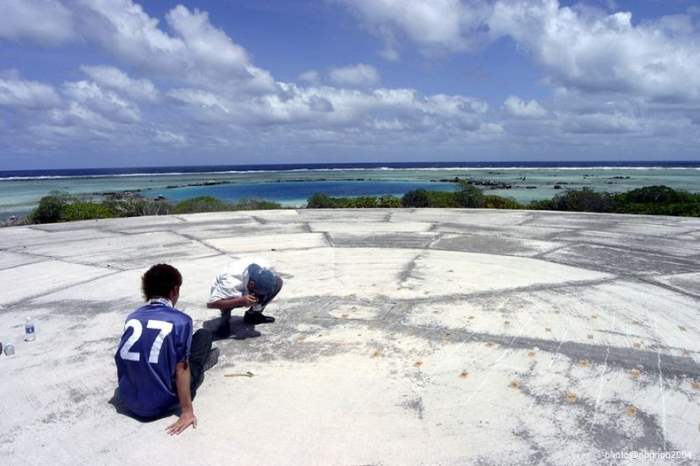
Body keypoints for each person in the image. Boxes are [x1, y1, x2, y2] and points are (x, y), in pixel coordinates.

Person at [115, 264, 217, 435]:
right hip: (161, 403)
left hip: (129, 400)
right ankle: (201, 366)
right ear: (175, 290)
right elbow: (181, 369)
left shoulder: (133, 317)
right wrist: (187, 411)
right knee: (204, 336)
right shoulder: (181, 321)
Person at [207, 259, 284, 338]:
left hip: (246, 284)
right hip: (223, 291)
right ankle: (224, 322)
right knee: (228, 298)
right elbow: (211, 304)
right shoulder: (231, 283)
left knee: (278, 282)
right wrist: (240, 301)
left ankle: (253, 315)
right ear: (251, 284)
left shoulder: (265, 267)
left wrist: (260, 298)